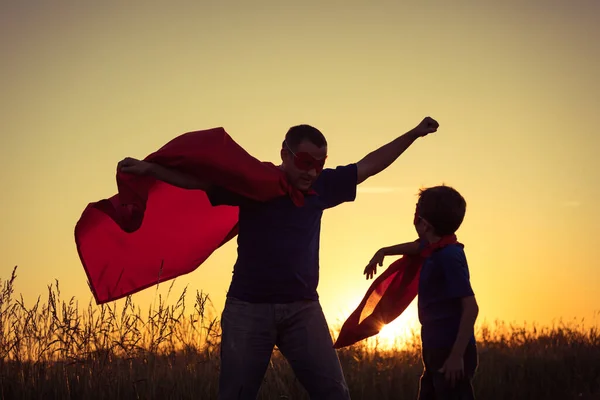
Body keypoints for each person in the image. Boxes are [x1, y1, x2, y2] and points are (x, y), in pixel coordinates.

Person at [117, 117, 439, 399]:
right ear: (285, 154)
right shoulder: (255, 182)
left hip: (303, 310)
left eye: (320, 162)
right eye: (304, 160)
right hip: (248, 310)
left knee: (334, 393)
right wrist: (150, 169)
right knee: (236, 395)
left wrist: (413, 133)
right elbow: (201, 182)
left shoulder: (324, 187)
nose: (312, 171)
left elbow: (369, 165)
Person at [363, 185, 479, 400]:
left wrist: (456, 356)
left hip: (450, 351)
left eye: (416, 214)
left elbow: (471, 308)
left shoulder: (449, 257)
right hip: (435, 348)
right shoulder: (437, 248)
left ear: (423, 224)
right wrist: (384, 251)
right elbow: (417, 247)